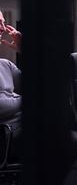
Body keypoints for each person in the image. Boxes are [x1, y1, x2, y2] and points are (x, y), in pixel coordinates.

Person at [0, 10, 23, 163]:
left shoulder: (5, 64)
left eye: (2, 22)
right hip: (6, 135)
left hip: (21, 126)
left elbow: (37, 85)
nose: (2, 28)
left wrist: (24, 49)